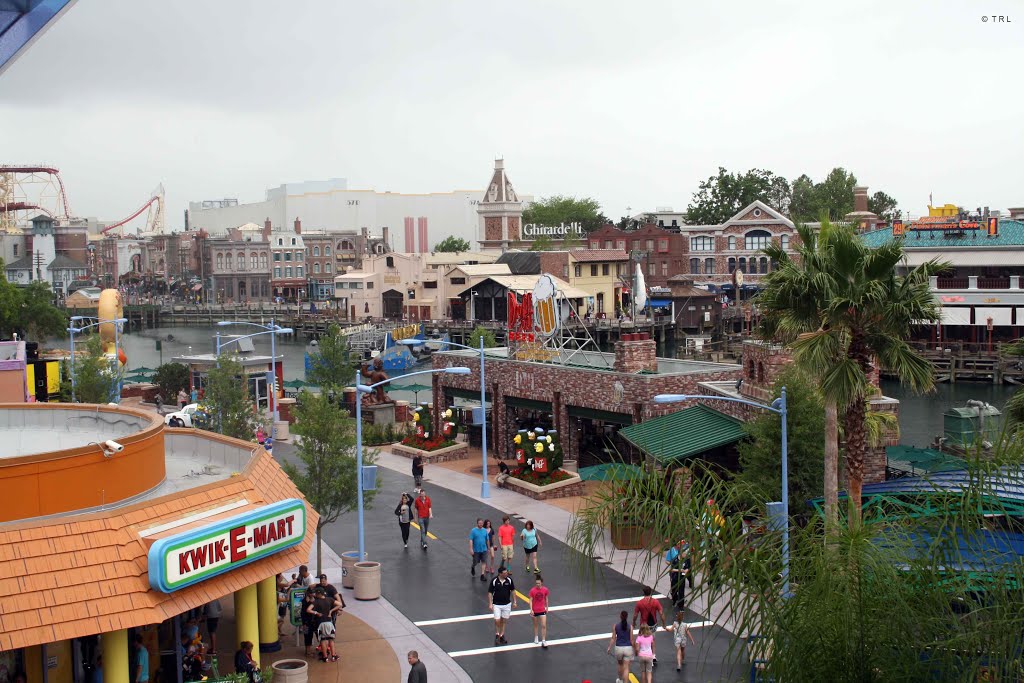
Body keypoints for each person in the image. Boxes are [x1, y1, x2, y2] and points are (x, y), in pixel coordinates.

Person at [632, 586, 665, 667]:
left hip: (644, 625)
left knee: (644, 640)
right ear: (650, 592)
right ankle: (653, 655)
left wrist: (633, 622)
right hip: (653, 624)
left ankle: (647, 656)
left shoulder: (639, 603)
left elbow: (635, 615)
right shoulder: (656, 602)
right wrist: (664, 623)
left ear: (644, 593)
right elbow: (661, 613)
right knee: (652, 640)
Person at [487, 565, 517, 646]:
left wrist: (515, 601)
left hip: (507, 604)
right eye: (504, 573)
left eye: (506, 572)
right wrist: (490, 603)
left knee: (504, 620)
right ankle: (497, 633)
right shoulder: (494, 581)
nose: (506, 574)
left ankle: (501, 635)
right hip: (496, 604)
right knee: (497, 620)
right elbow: (490, 592)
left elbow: (513, 590)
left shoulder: (509, 580)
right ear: (500, 574)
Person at [307, 587, 338, 662]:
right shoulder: (330, 599)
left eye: (316, 593)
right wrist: (331, 611)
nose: (315, 595)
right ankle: (333, 656)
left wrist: (316, 613)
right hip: (329, 623)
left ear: (319, 594)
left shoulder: (316, 602)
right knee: (331, 639)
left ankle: (325, 657)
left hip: (321, 623)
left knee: (323, 640)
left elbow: (308, 610)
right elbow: (339, 604)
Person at [606, 610, 634, 683]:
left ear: (620, 616)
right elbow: (631, 640)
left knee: (620, 664)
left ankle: (620, 680)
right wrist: (635, 649)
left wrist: (609, 647)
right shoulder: (630, 627)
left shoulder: (615, 626)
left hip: (618, 648)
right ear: (627, 617)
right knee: (626, 667)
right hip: (628, 648)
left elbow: (613, 638)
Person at [665, 539, 691, 610]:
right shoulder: (675, 559)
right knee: (674, 590)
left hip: (682, 578)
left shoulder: (687, 559)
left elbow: (689, 567)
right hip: (674, 576)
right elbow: (671, 569)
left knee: (681, 592)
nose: (686, 554)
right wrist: (679, 570)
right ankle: (674, 600)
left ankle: (681, 606)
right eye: (684, 553)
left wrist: (686, 570)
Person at [529, 574, 550, 648]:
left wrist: (547, 608)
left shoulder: (545, 590)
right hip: (535, 610)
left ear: (541, 583)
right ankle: (536, 637)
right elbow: (530, 600)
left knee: (543, 625)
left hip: (542, 610)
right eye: (536, 583)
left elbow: (546, 599)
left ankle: (543, 640)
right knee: (535, 625)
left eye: (539, 583)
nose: (537, 584)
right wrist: (531, 609)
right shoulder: (532, 590)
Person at [300, 588, 317, 656]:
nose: (313, 594)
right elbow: (304, 613)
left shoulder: (306, 600)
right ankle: (308, 652)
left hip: (307, 622)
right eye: (311, 593)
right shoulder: (306, 601)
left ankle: (308, 651)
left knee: (308, 636)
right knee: (307, 637)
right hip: (307, 623)